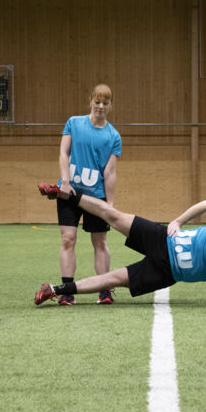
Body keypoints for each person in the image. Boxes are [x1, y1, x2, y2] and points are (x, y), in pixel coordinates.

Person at [35, 182, 206, 311]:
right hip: (164, 238)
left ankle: (54, 290)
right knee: (114, 215)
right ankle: (65, 194)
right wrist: (179, 221)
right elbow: (205, 203)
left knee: (113, 278)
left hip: (166, 272)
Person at [55, 84, 122, 305]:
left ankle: (104, 291)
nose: (101, 106)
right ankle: (66, 292)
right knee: (68, 239)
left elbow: (109, 172)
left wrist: (109, 204)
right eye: (97, 102)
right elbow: (64, 154)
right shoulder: (74, 123)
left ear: (111, 105)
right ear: (91, 101)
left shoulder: (114, 136)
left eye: (105, 102)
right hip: (68, 193)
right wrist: (64, 181)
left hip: (96, 197)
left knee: (100, 242)